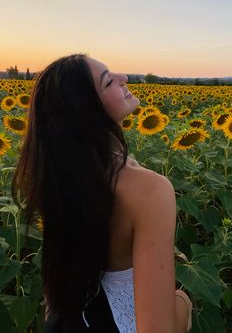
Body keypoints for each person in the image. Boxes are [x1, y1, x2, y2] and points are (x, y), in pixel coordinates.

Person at [12, 53, 192, 332]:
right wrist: (183, 303)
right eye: (109, 81)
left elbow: (55, 289)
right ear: (87, 110)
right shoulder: (149, 190)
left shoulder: (59, 176)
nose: (124, 78)